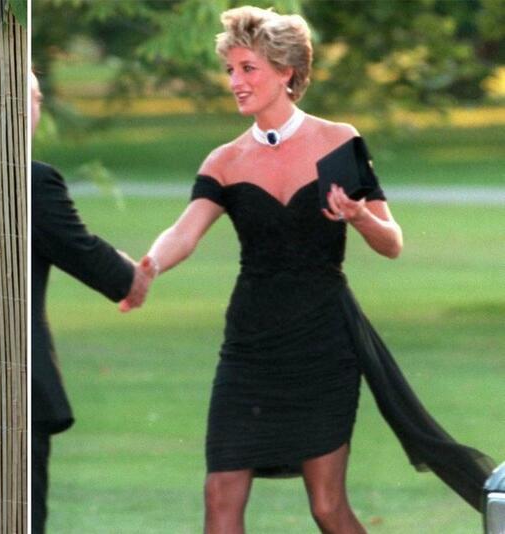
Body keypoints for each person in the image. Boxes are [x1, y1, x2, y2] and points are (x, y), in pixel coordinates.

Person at [122, 6, 494, 533]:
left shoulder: (338, 142)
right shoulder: (224, 161)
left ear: (286, 72)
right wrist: (150, 265)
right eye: (230, 69)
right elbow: (184, 231)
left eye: (247, 68)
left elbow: (392, 243)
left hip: (323, 341)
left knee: (327, 507)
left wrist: (360, 215)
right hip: (250, 344)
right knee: (219, 496)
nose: (235, 81)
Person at [30, 71, 154, 534]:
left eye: (40, 98)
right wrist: (129, 277)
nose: (35, 109)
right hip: (18, 380)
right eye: (28, 98)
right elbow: (77, 248)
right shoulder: (32, 181)